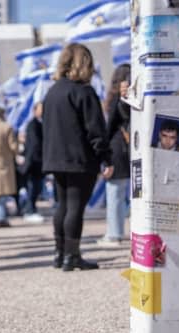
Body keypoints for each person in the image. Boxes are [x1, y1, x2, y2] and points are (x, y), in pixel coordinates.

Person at [42, 43, 113, 271]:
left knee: (62, 205)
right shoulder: (84, 91)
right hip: (79, 158)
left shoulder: (52, 91)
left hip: (55, 157)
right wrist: (106, 157)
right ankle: (72, 257)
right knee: (75, 207)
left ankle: (59, 253)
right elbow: (96, 129)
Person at [98, 64, 132, 247]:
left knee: (115, 194)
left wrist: (103, 152)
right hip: (131, 146)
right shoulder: (132, 97)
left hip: (117, 148)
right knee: (129, 195)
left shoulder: (114, 99)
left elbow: (109, 126)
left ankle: (114, 234)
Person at [20, 103, 45, 223]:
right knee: (33, 188)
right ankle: (29, 210)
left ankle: (31, 209)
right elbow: (34, 145)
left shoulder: (39, 124)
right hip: (34, 163)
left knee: (36, 188)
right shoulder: (33, 125)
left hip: (37, 162)